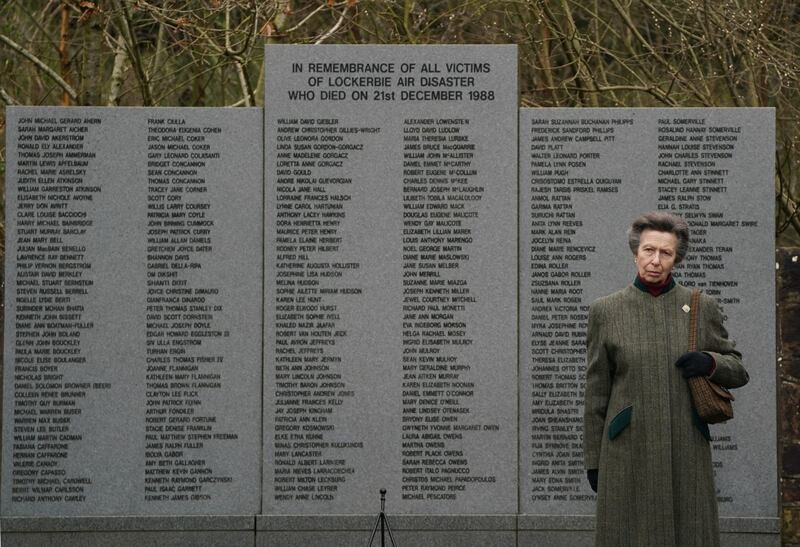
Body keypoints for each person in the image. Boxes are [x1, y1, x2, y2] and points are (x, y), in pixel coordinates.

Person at [583, 211, 749, 547]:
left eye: (666, 253)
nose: (655, 261)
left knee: (690, 531)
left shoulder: (702, 307)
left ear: (677, 259)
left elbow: (738, 370)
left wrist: (709, 361)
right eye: (648, 250)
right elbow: (596, 390)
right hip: (627, 448)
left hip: (685, 445)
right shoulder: (606, 311)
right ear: (635, 252)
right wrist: (594, 459)